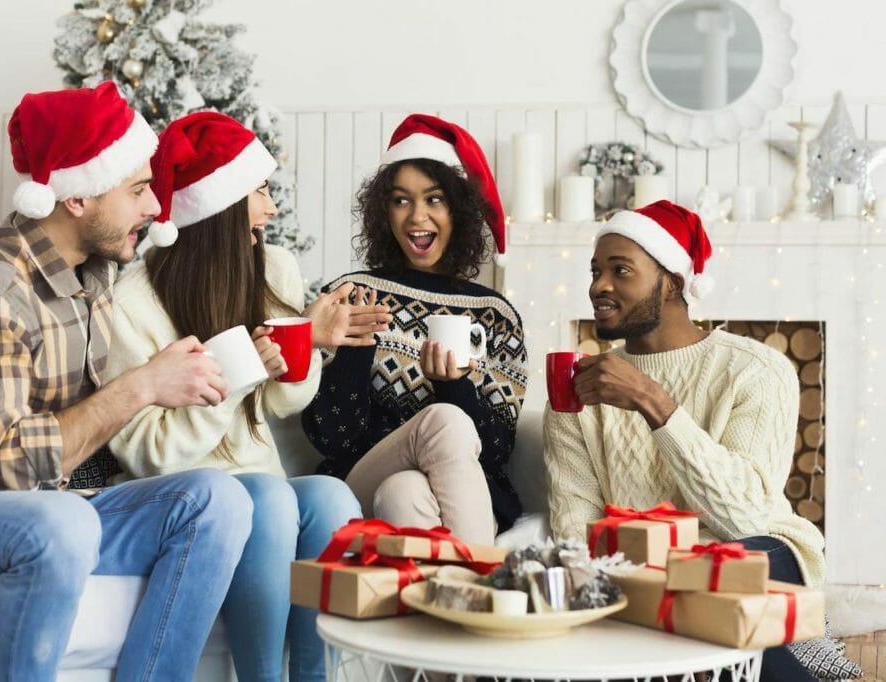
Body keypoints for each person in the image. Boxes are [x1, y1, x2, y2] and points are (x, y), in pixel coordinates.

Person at [0, 82, 253, 682]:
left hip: (57, 508)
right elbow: (5, 471)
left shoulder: (94, 279)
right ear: (78, 198)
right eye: (137, 191)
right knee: (63, 522)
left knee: (217, 500)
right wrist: (141, 386)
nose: (156, 208)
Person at [102, 111, 381, 682]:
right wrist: (232, 376)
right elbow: (145, 453)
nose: (273, 208)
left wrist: (308, 344)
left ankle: (313, 675)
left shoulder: (271, 266)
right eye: (262, 190)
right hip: (185, 494)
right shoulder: (131, 304)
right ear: (221, 207)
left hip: (259, 482)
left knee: (330, 498)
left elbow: (280, 404)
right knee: (271, 499)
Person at [543, 199, 825, 682]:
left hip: (756, 550)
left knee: (716, 590)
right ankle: (815, 657)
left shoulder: (755, 370)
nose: (598, 286)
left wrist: (654, 403)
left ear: (671, 282)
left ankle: (813, 656)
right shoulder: (581, 389)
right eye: (595, 271)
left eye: (620, 270)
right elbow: (575, 531)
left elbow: (745, 517)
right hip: (645, 570)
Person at [302, 114, 528, 544]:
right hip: (360, 475)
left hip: (450, 494)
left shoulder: (495, 314)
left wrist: (454, 387)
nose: (416, 216)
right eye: (401, 200)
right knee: (441, 422)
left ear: (458, 209)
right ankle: (482, 581)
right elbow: (329, 437)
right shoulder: (350, 296)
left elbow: (498, 450)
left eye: (434, 199)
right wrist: (354, 352)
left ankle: (438, 604)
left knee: (404, 492)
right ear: (383, 210)